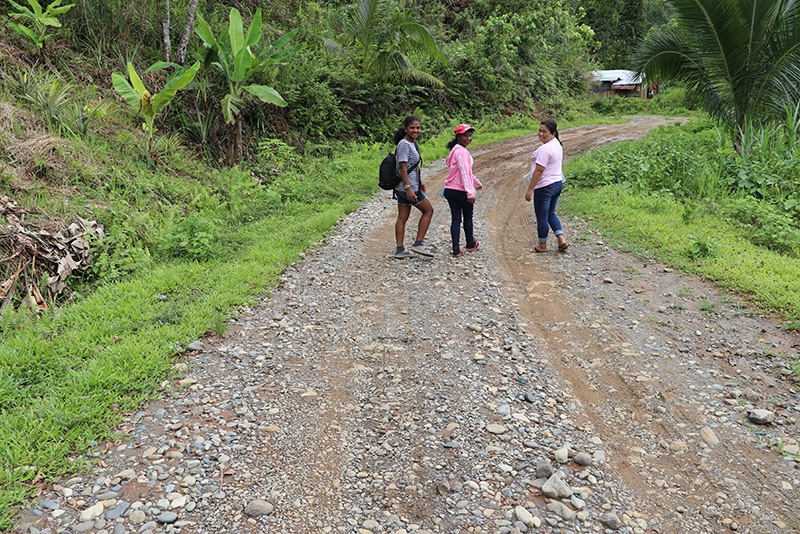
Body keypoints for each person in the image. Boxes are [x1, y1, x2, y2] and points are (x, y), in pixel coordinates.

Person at [393, 116, 434, 258]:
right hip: (408, 188)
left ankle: (400, 250)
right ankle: (418, 243)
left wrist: (419, 181)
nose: (415, 130)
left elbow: (413, 166)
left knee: (402, 217)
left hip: (405, 187)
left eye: (418, 128)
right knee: (428, 211)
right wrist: (408, 188)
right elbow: (403, 167)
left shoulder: (411, 143)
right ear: (406, 129)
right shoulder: (404, 144)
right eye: (412, 128)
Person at [524, 119, 568, 253]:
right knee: (550, 213)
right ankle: (561, 238)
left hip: (545, 187)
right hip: (557, 183)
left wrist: (530, 189)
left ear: (553, 133)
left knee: (542, 216)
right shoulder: (557, 144)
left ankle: (542, 245)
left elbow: (539, 171)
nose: (541, 134)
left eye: (545, 132)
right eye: (540, 131)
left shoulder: (545, 149)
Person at [443, 124, 483, 257]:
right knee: (467, 216)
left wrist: (476, 182)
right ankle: (470, 243)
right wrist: (470, 192)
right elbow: (464, 172)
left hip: (450, 189)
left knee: (456, 218)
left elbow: (464, 171)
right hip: (460, 190)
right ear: (458, 137)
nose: (468, 138)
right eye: (465, 136)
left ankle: (456, 249)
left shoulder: (455, 150)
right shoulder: (462, 152)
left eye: (470, 135)